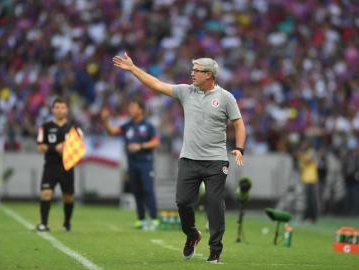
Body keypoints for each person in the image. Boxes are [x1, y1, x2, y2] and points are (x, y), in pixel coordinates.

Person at [113, 53, 246, 263]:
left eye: (196, 71)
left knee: (214, 203)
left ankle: (215, 250)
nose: (192, 73)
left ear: (209, 75)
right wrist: (133, 69)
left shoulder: (226, 97)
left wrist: (239, 148)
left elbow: (238, 124)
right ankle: (192, 234)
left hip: (216, 160)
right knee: (183, 202)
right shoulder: (186, 92)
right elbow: (156, 84)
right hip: (189, 159)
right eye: (192, 70)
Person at [101, 98, 160, 230]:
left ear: (141, 110)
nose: (130, 109)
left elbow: (156, 142)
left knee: (148, 190)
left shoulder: (148, 126)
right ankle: (141, 219)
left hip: (145, 163)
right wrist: (105, 120)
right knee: (137, 192)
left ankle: (154, 219)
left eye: (133, 107)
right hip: (132, 163)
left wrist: (140, 146)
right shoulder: (127, 125)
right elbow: (111, 132)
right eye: (130, 107)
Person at [35, 97, 82, 232]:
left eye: (62, 107)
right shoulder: (45, 127)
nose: (60, 110)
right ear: (52, 110)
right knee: (45, 193)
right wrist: (55, 148)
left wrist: (67, 148)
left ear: (67, 110)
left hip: (67, 166)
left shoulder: (74, 128)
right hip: (50, 166)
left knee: (68, 197)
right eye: (57, 107)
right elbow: (40, 147)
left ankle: (67, 224)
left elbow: (80, 147)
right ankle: (44, 224)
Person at [297, 140, 319, 223]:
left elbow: (307, 160)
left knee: (311, 200)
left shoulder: (311, 151)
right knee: (306, 199)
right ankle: (306, 216)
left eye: (305, 144)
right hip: (305, 178)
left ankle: (312, 217)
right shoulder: (304, 153)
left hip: (312, 178)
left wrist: (300, 154)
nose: (303, 145)